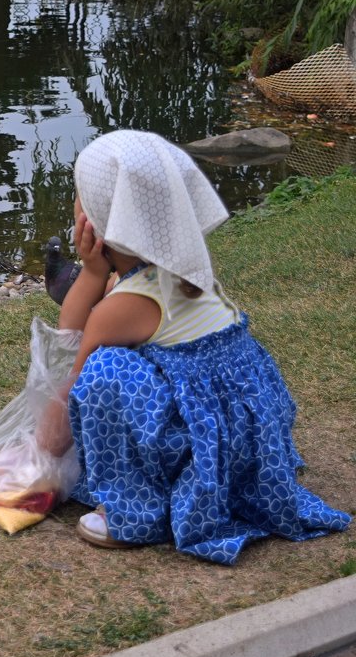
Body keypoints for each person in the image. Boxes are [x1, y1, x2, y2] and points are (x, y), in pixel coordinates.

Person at [37, 129, 349, 565]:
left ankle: (136, 513)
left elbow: (71, 363)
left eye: (79, 196)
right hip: (244, 443)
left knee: (103, 372)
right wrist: (93, 272)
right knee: (126, 364)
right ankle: (228, 483)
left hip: (205, 453)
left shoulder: (126, 305)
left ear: (97, 220)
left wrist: (41, 453)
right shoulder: (179, 267)